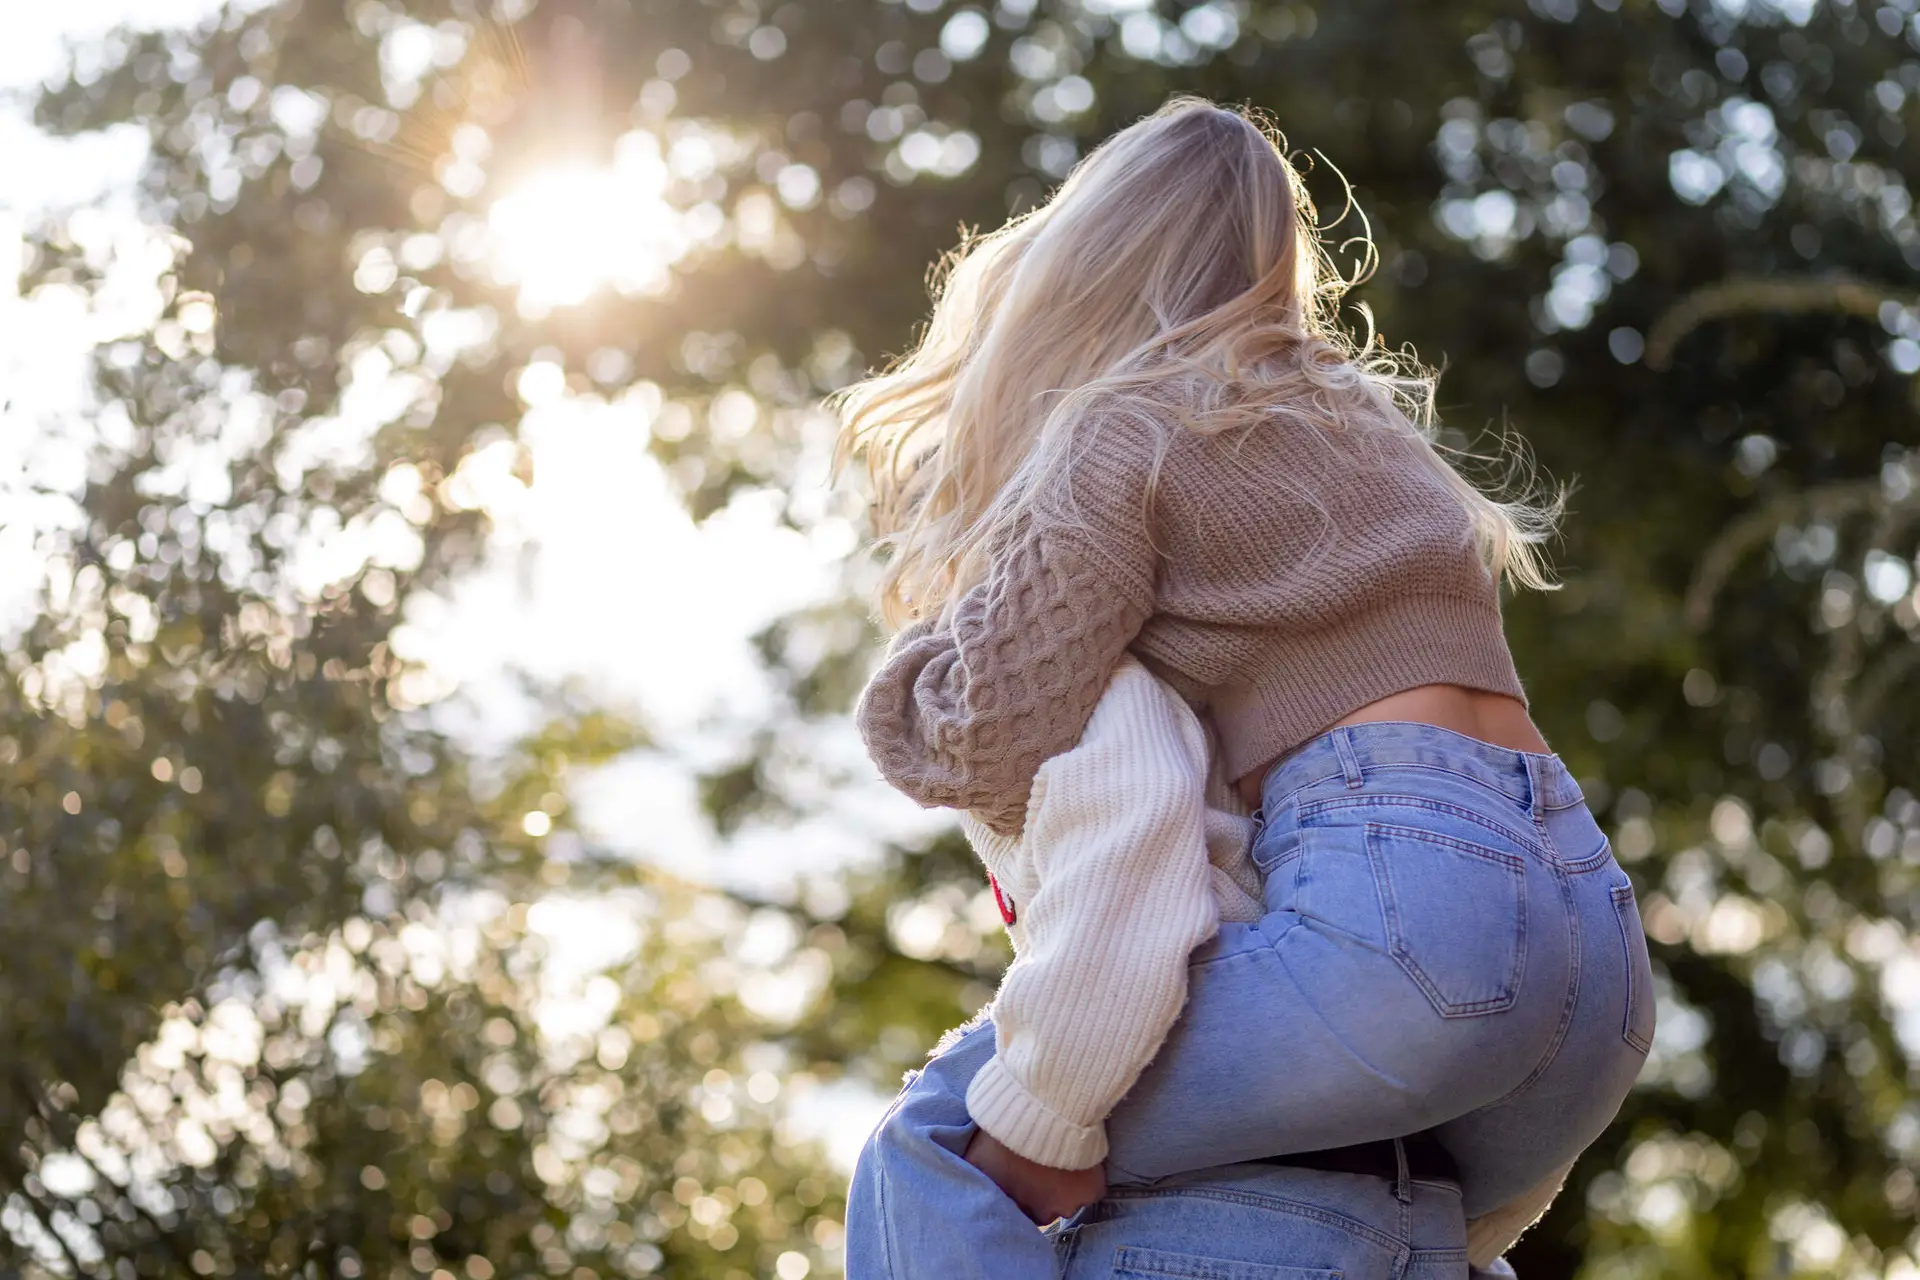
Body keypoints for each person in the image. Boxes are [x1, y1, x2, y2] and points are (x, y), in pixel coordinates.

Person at [837, 96, 1654, 1277]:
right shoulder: (1358, 420)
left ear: (1083, 262)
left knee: (936, 1149)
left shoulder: (1124, 422)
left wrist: (935, 622)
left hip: (1407, 923)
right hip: (1591, 949)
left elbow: (972, 736)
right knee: (1371, 1190)